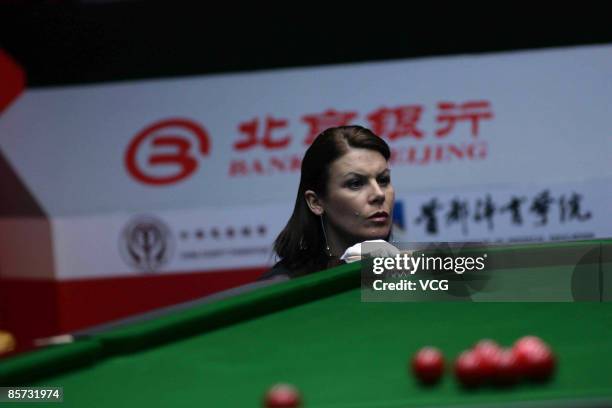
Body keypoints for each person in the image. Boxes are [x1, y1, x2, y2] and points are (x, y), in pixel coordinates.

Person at [260, 125, 395, 280]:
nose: (379, 194)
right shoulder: (284, 287)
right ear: (316, 202)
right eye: (355, 183)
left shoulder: (415, 272)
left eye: (383, 180)